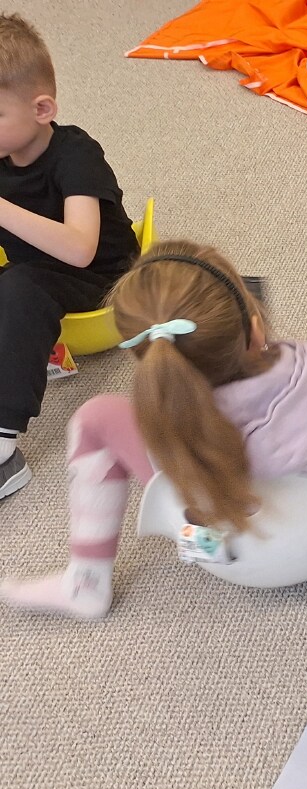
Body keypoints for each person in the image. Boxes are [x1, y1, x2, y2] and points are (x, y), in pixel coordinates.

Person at [0, 240, 307, 618]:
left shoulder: (177, 428)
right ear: (255, 328)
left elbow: (190, 502)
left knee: (96, 417)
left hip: (245, 559)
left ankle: (86, 583)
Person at [0, 12, 141, 499]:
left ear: (41, 109)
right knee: (18, 284)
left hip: (103, 282)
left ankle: (3, 448)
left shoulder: (76, 153)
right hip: (34, 271)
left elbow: (81, 249)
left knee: (19, 288)